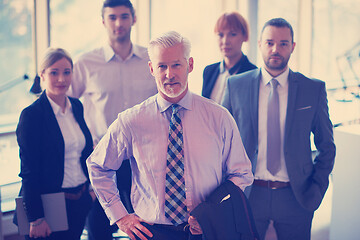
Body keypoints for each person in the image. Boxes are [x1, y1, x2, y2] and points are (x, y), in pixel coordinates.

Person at [86, 31, 254, 240]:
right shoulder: (131, 121)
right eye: (162, 66)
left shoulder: (219, 118)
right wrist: (120, 217)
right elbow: (98, 165)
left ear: (190, 65)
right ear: (151, 69)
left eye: (176, 65)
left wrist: (212, 213)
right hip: (151, 233)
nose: (169, 74)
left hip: (207, 231)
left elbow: (242, 173)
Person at [222, 18, 336, 240]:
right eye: (270, 42)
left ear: (293, 46)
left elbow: (327, 147)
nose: (276, 49)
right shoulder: (236, 85)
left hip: (296, 196)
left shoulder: (313, 89)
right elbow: (219, 142)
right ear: (259, 44)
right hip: (248, 194)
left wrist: (315, 190)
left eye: (284, 43)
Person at [68, 0, 157, 239]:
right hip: (102, 161)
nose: (119, 23)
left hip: (144, 161)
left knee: (145, 230)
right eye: (112, 18)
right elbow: (66, 108)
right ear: (103, 22)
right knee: (98, 231)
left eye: (124, 17)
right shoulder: (86, 64)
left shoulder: (151, 61)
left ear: (133, 19)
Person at [16, 48, 93, 239]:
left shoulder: (77, 106)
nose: (61, 79)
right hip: (48, 206)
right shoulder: (32, 115)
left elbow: (83, 153)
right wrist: (36, 218)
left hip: (80, 200)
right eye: (54, 72)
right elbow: (29, 171)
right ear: (42, 75)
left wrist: (90, 191)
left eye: (67, 72)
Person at [202, 12, 257, 103]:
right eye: (220, 35)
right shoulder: (209, 71)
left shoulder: (254, 74)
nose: (225, 41)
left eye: (232, 34)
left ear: (245, 36)